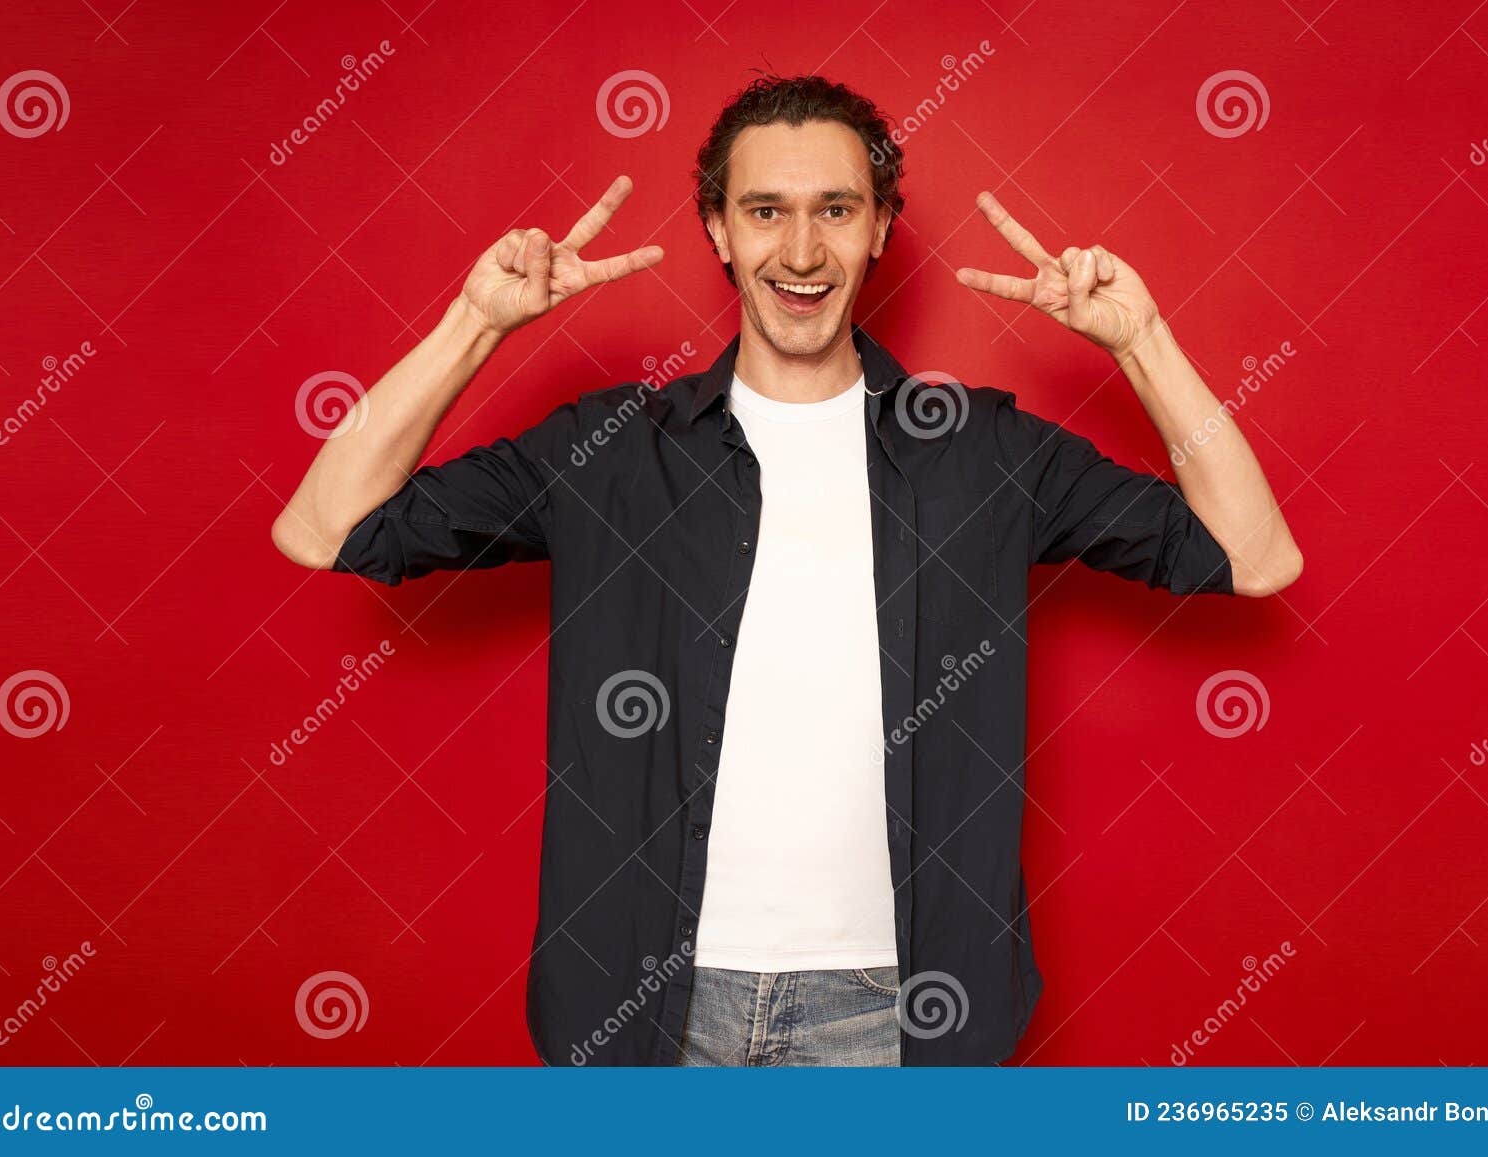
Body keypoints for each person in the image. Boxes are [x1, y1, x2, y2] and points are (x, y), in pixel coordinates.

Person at [271, 75, 1302, 1067]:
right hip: (646, 1010)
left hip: (895, 1012)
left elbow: (1253, 557)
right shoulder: (612, 452)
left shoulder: (986, 455)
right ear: (717, 228)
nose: (801, 250)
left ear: (880, 226)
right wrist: (477, 324)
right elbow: (327, 527)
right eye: (764, 210)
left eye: (835, 210)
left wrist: (1143, 342)